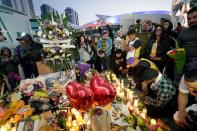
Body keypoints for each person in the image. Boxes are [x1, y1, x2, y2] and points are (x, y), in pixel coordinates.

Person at [178, 7, 197, 72]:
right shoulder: (183, 32)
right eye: (189, 19)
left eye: (195, 17)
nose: (191, 20)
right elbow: (179, 47)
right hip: (183, 62)